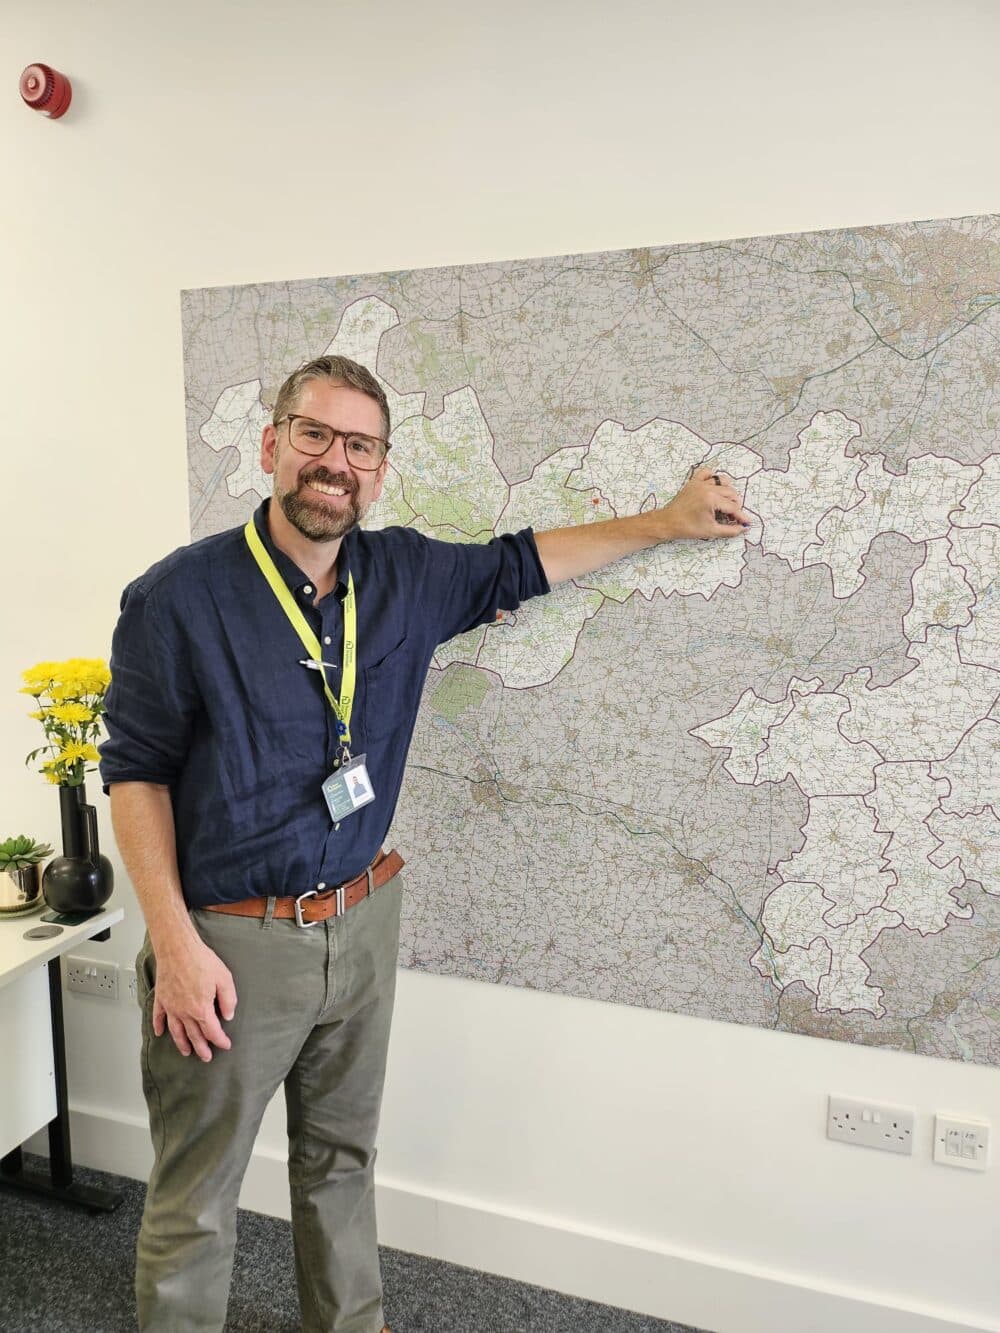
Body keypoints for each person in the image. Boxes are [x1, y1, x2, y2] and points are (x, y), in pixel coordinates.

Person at [100, 354, 751, 1333]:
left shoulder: (404, 573)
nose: (335, 462)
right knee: (198, 1196)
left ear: (381, 467)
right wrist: (176, 947)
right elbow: (135, 773)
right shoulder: (175, 599)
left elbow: (525, 561)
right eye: (314, 435)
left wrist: (664, 521)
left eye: (359, 446)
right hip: (229, 944)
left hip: (362, 918)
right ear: (273, 444)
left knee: (341, 1164)